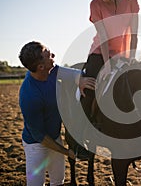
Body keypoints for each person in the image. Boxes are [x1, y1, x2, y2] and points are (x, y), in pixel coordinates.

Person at [18, 41, 96, 186]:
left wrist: (81, 80)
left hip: (54, 137)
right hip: (36, 144)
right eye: (49, 55)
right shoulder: (29, 95)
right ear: (41, 67)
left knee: (58, 181)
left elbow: (73, 74)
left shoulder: (52, 70)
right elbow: (40, 137)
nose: (54, 55)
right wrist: (67, 152)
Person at [82, 0, 140, 118]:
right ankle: (85, 126)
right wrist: (107, 66)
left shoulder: (131, 1)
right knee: (90, 89)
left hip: (122, 54)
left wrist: (131, 57)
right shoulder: (95, 4)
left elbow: (134, 34)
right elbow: (103, 36)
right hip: (99, 52)